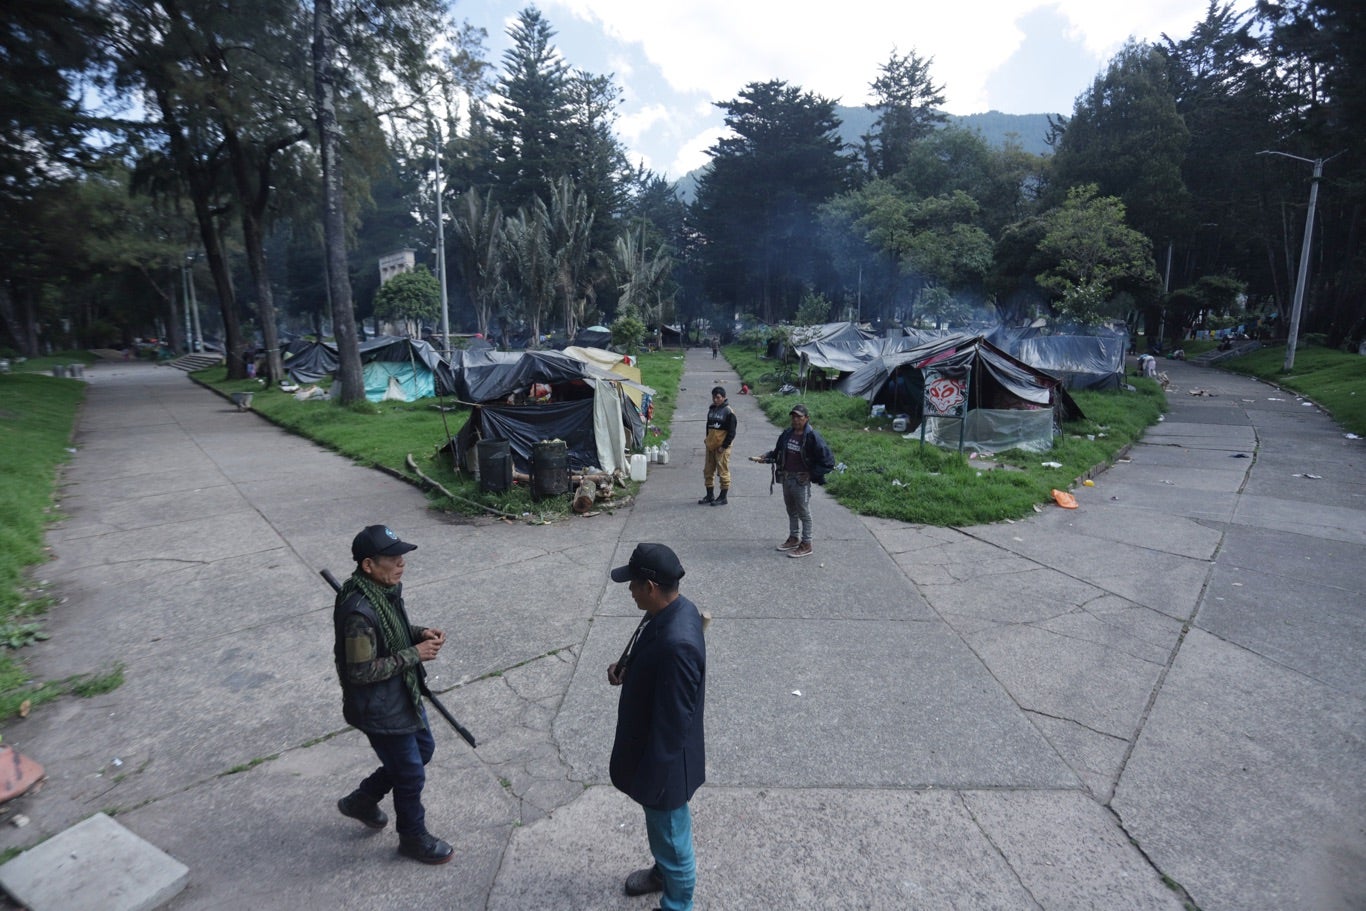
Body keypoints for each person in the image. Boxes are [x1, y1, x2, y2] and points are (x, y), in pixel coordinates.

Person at [333, 524, 454, 865]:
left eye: (401, 555)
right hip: (378, 707)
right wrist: (416, 653)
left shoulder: (384, 591)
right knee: (410, 773)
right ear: (368, 565)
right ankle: (413, 838)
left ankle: (362, 799)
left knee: (422, 751)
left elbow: (392, 634)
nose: (401, 563)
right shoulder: (359, 613)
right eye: (393, 558)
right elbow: (360, 672)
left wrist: (419, 633)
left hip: (401, 693)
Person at [606, 543, 706, 911]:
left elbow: (674, 724)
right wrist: (628, 669)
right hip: (653, 755)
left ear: (650, 586)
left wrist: (654, 780)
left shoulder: (678, 644)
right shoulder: (672, 609)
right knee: (664, 836)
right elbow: (656, 664)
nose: (630, 590)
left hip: (664, 765)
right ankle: (662, 873)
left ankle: (677, 904)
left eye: (632, 584)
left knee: (674, 844)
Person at [764, 403, 835, 558]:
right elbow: (778, 451)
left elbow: (828, 461)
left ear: (806, 418)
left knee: (804, 512)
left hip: (800, 480)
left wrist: (811, 474)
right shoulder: (787, 433)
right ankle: (794, 538)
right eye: (793, 417)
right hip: (786, 477)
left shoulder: (812, 437)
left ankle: (807, 544)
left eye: (799, 417)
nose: (795, 420)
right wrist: (767, 457)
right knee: (791, 510)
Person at [698, 386, 737, 506]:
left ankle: (723, 497)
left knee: (723, 471)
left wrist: (724, 446)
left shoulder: (729, 412)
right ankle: (709, 495)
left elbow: (732, 433)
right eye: (714, 397)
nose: (715, 400)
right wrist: (707, 440)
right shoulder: (711, 410)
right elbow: (708, 427)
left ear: (724, 397)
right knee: (708, 471)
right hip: (710, 446)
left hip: (722, 448)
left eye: (718, 397)